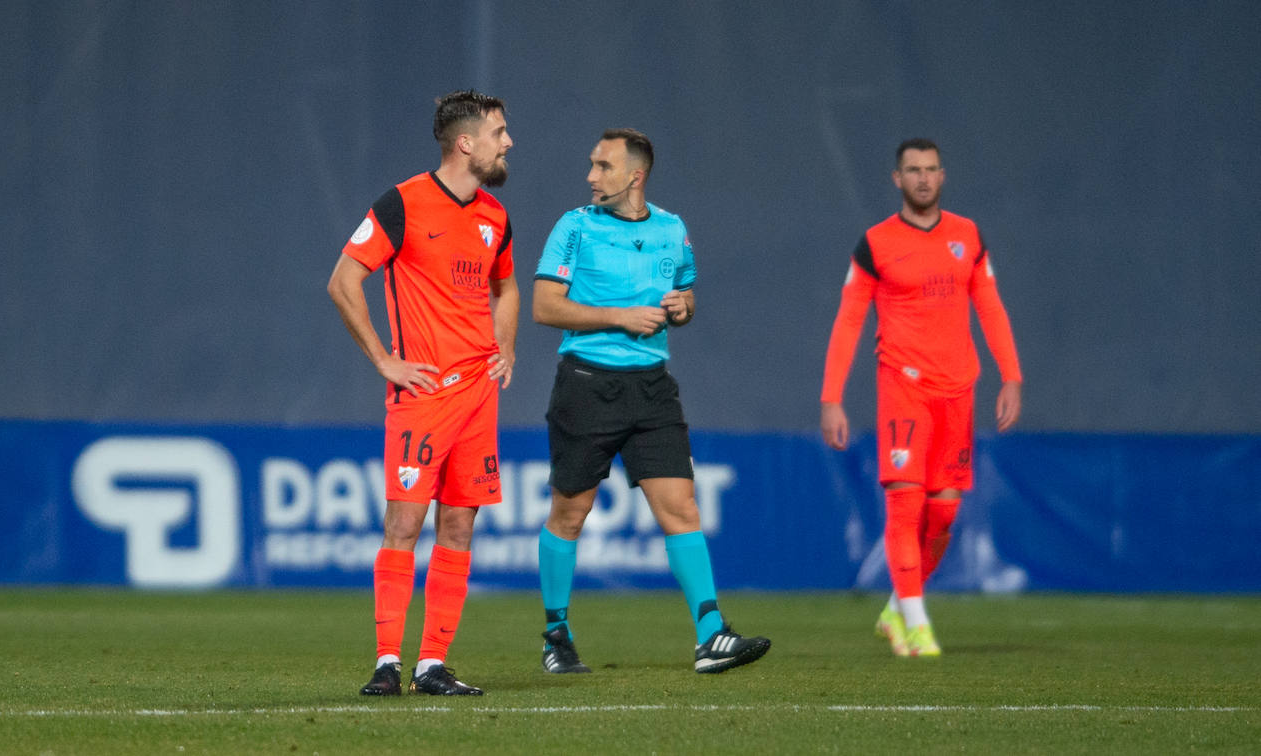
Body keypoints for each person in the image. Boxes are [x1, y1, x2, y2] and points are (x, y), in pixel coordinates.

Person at [531, 128, 770, 675]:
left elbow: (685, 295)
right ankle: (556, 636)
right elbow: (545, 306)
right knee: (571, 512)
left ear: (635, 176)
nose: (592, 176)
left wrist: (682, 307)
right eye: (592, 164)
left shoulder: (671, 228)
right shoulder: (574, 227)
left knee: (682, 508)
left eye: (603, 166)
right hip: (586, 386)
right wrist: (618, 316)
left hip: (652, 388)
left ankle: (711, 635)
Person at [328, 90, 518, 695]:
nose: (507, 142)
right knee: (404, 526)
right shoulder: (402, 204)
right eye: (499, 132)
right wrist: (386, 360)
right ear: (466, 143)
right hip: (425, 396)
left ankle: (432, 665)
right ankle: (387, 663)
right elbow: (343, 281)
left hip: (479, 397)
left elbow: (507, 289)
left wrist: (506, 349)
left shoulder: (495, 217)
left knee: (459, 529)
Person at [820, 138, 1023, 657]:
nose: (924, 179)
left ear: (943, 175)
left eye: (932, 170)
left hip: (959, 389)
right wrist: (832, 397)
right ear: (897, 179)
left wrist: (1011, 375)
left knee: (945, 514)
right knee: (905, 504)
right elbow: (849, 321)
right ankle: (917, 624)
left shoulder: (968, 236)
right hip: (903, 386)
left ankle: (898, 607)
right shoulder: (876, 243)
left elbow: (991, 306)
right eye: (914, 170)